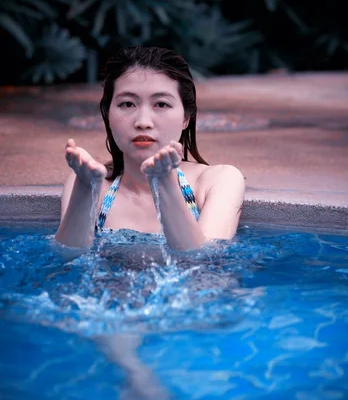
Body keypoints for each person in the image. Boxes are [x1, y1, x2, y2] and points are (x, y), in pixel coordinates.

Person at [55, 46, 245, 251]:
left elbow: (205, 262)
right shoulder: (90, 183)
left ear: (186, 118)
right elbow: (69, 259)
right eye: (127, 104)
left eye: (161, 104)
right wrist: (85, 188)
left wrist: (164, 182)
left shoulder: (217, 181)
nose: (143, 122)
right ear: (108, 114)